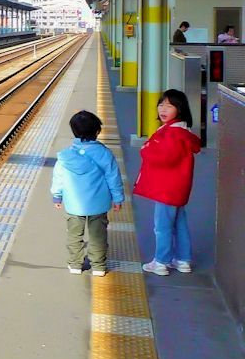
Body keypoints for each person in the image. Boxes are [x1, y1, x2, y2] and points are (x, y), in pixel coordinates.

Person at [133, 89, 202, 275]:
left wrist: (146, 148)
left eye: (169, 105)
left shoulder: (171, 133)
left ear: (179, 109)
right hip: (178, 188)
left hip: (167, 189)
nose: (163, 109)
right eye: (161, 104)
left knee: (162, 227)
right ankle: (183, 260)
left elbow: (166, 158)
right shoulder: (182, 131)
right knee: (179, 224)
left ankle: (161, 262)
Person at [51, 110, 125, 276]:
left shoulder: (66, 156)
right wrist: (118, 198)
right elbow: (113, 177)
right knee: (98, 236)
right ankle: (98, 266)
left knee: (74, 235)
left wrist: (57, 195)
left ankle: (75, 264)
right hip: (98, 204)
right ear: (97, 131)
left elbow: (58, 177)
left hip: (74, 204)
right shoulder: (104, 153)